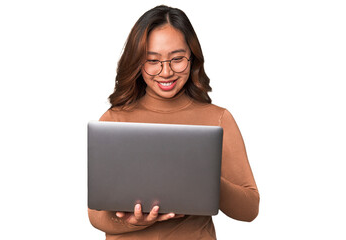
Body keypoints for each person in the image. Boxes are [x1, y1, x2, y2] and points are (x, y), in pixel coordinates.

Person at [88, 5, 259, 240]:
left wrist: (206, 178)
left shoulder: (218, 118)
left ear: (193, 57)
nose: (166, 72)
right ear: (137, 62)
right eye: (152, 60)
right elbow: (96, 216)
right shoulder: (114, 120)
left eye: (177, 59)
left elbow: (249, 209)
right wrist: (133, 223)